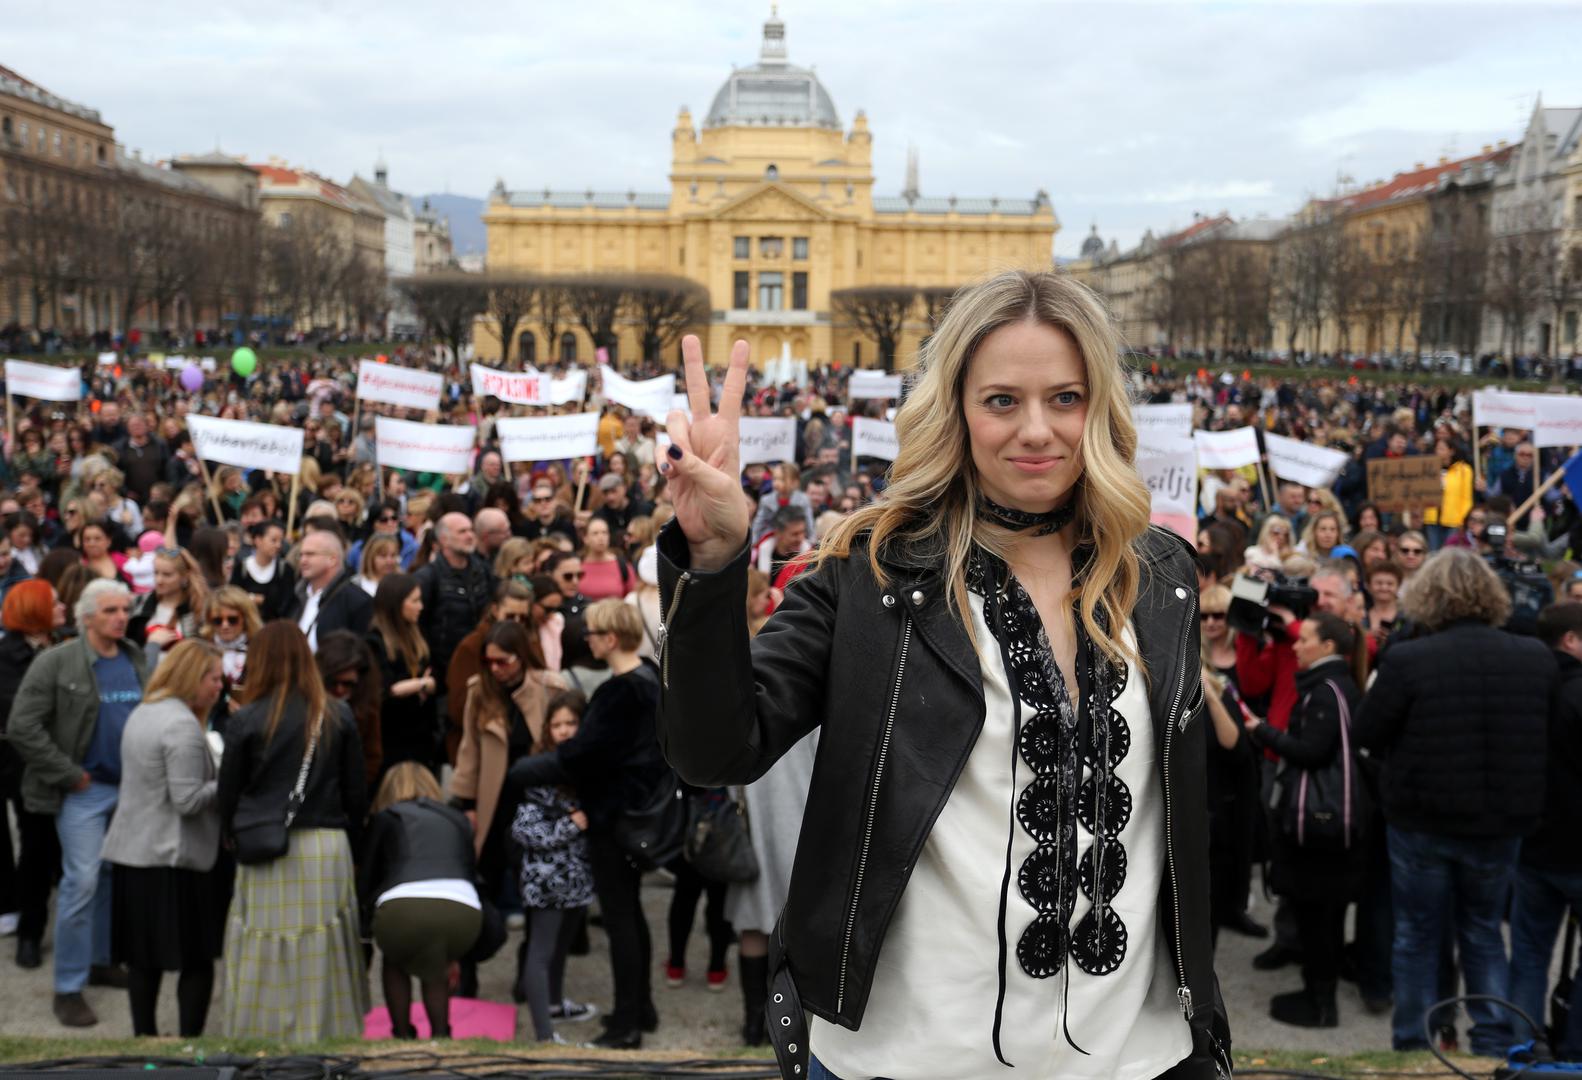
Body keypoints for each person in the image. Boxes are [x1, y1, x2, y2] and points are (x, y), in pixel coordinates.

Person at [652, 272, 1228, 1079]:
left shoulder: (1159, 577)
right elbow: (715, 751)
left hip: (1140, 1057)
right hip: (909, 1057)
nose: (1037, 430)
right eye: (1002, 401)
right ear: (954, 408)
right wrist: (712, 566)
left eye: (1065, 398)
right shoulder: (870, 577)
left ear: (1099, 406)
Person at [1355, 548, 1555, 1056]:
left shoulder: (1408, 658)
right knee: (1484, 933)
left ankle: (1415, 1045)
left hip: (1424, 821)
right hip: (1497, 822)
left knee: (1418, 935)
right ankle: (1491, 1042)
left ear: (1427, 596)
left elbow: (1367, 731)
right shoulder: (1534, 658)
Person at [508, 599, 667, 1049]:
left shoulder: (620, 691)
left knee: (621, 920)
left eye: (593, 634)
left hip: (613, 822)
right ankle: (641, 1010)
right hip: (636, 818)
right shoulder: (650, 678)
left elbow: (582, 756)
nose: (588, 641)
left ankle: (626, 1025)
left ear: (610, 638)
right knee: (631, 917)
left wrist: (526, 771)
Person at [218, 621, 368, 1042]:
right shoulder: (337, 713)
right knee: (323, 950)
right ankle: (326, 1035)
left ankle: (260, 1034)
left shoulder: (246, 719)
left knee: (264, 948)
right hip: (325, 844)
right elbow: (357, 793)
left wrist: (233, 837)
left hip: (266, 843)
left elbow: (227, 796)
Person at [7, 579, 147, 1027]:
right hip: (83, 793)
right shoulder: (55, 662)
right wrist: (70, 775)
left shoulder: (134, 657)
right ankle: (67, 987)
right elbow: (22, 726)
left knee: (109, 878)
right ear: (87, 617)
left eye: (124, 609)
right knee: (81, 882)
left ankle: (100, 960)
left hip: (127, 791)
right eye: (110, 610)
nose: (120, 617)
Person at [1241, 614, 1367, 1028]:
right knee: (1324, 914)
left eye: (1305, 639)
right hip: (1333, 826)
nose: (1296, 646)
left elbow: (1312, 752)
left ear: (1327, 647)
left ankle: (1320, 1003)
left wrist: (1263, 731)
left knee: (1318, 915)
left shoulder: (1325, 692)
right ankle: (1318, 994)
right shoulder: (1339, 684)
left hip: (1319, 826)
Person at [100, 640, 228, 1037]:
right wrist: (227, 781)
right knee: (196, 959)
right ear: (193, 677)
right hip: (175, 860)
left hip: (134, 854)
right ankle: (188, 1044)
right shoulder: (182, 726)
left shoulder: (144, 710)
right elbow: (188, 800)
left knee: (143, 961)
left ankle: (144, 1040)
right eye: (215, 678)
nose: (220, 687)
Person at [358, 763, 481, 1040]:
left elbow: (368, 877)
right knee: (436, 959)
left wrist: (363, 928)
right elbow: (471, 870)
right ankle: (441, 1034)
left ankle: (401, 1033)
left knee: (395, 958)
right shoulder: (456, 818)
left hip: (401, 908)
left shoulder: (386, 818)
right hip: (462, 908)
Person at [1508, 602, 1582, 1058]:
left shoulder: (1525, 689)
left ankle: (1521, 1048)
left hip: (1533, 842)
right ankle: (1574, 1052)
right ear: (1571, 640)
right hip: (1573, 849)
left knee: (1529, 953)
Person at [511, 690, 597, 1043]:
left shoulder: (586, 763)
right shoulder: (540, 767)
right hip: (546, 879)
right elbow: (524, 829)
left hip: (576, 877)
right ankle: (544, 1034)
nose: (563, 731)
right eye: (557, 724)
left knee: (562, 946)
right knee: (542, 951)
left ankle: (556, 1005)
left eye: (571, 723)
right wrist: (571, 824)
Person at [0, 580, 67, 972]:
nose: (62, 606)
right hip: (21, 770)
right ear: (33, 612)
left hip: (59, 763)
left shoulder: (62, 645)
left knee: (48, 849)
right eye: (54, 601)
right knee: (35, 848)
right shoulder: (6, 658)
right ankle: (30, 931)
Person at [444, 579, 534, 764]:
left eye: (523, 618)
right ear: (495, 611)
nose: (517, 623)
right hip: (484, 748)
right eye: (510, 616)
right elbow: (458, 708)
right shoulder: (472, 647)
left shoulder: (530, 642)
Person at [414, 512, 495, 705]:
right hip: (444, 669)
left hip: (481, 663)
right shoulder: (428, 578)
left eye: (471, 530)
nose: (470, 536)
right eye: (462, 531)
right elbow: (419, 626)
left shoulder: (482, 570)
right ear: (444, 539)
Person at [367, 573, 439, 775]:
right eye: (414, 601)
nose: (421, 606)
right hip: (391, 740)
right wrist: (423, 684)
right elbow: (389, 690)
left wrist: (414, 685)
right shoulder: (375, 642)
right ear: (396, 603)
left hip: (421, 739)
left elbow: (437, 678)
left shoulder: (420, 637)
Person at [316, 630, 384, 788]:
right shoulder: (305, 704)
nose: (340, 690)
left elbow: (372, 756)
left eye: (347, 684)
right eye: (333, 682)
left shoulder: (366, 705)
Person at [290, 528, 372, 651]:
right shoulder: (295, 595)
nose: (303, 560)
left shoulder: (357, 602)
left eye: (310, 554)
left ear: (332, 559)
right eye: (301, 555)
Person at [129, 547, 207, 669]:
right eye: (156, 573)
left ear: (185, 577)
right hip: (145, 678)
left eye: (167, 575)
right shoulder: (139, 604)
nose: (159, 580)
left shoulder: (199, 608)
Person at [203, 587, 261, 733]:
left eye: (232, 619)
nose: (225, 625)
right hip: (213, 727)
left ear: (246, 618)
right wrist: (225, 704)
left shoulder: (260, 650)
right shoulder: (202, 651)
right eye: (217, 620)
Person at [232, 519, 295, 622]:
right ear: (258, 540)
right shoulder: (241, 569)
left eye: (281, 541)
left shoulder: (285, 570)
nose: (278, 545)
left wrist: (262, 601)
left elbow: (287, 604)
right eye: (273, 540)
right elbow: (233, 599)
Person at [579, 517, 633, 601]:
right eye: (595, 533)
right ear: (585, 538)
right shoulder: (578, 565)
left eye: (604, 533)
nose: (601, 537)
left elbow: (631, 597)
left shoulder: (622, 565)